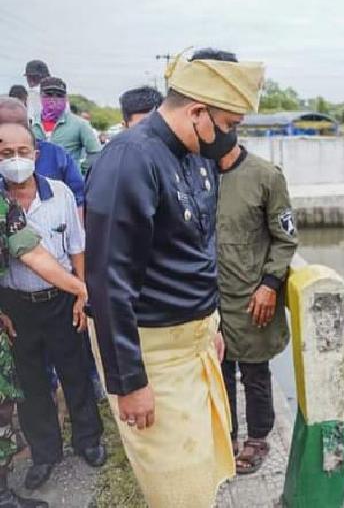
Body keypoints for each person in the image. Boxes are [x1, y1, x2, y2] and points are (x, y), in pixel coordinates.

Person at [85, 49, 264, 508]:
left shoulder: (195, 155)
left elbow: (197, 249)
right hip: (153, 351)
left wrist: (211, 326)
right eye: (229, 124)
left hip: (196, 342)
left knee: (205, 467)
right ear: (198, 111)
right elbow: (108, 281)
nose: (231, 137)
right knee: (176, 486)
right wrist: (130, 382)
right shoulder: (130, 160)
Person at [0, 122, 105, 492]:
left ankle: (88, 440)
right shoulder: (0, 203)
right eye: (5, 153)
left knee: (75, 371)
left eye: (22, 151)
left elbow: (77, 245)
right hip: (17, 306)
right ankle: (45, 453)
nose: (15, 160)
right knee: (31, 385)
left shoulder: (59, 193)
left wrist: (81, 294)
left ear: (36, 154)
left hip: (60, 300)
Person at [218, 139, 298, 474]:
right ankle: (226, 436)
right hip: (207, 298)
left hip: (251, 296)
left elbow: (286, 238)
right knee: (217, 372)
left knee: (254, 372)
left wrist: (270, 284)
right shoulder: (194, 172)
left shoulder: (266, 176)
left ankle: (259, 438)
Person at [0, 97, 85, 213]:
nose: (13, 134)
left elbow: (78, 200)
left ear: (29, 125)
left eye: (19, 126)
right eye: (5, 128)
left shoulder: (57, 156)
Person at [30, 78, 101, 171]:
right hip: (37, 181)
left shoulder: (80, 124)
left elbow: (96, 153)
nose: (53, 99)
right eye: (49, 95)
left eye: (59, 95)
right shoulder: (30, 124)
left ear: (65, 98)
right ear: (40, 96)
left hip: (68, 182)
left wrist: (80, 170)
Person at [23, 60, 50, 125]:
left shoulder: (56, 97)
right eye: (29, 78)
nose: (31, 82)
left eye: (35, 78)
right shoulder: (25, 94)